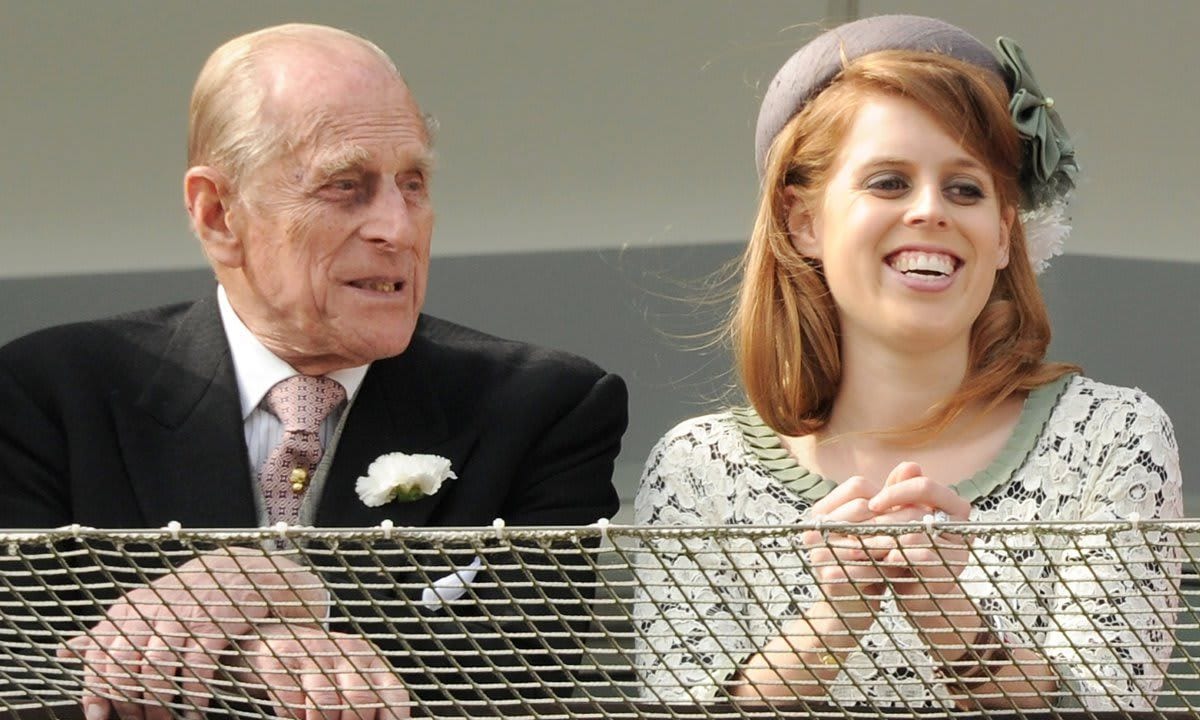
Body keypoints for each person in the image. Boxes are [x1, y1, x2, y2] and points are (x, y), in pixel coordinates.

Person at [0, 23, 627, 720]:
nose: (399, 227)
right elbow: (30, 674)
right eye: (346, 185)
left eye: (413, 183)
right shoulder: (47, 397)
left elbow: (518, 686)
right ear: (217, 215)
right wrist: (255, 659)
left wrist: (283, 584)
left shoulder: (545, 408)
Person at [633, 14, 1182, 712]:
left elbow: (1112, 703)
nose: (930, 212)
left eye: (966, 189)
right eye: (889, 182)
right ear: (803, 222)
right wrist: (831, 624)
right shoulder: (696, 470)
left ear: (1005, 234)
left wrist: (950, 624)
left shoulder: (1112, 436)